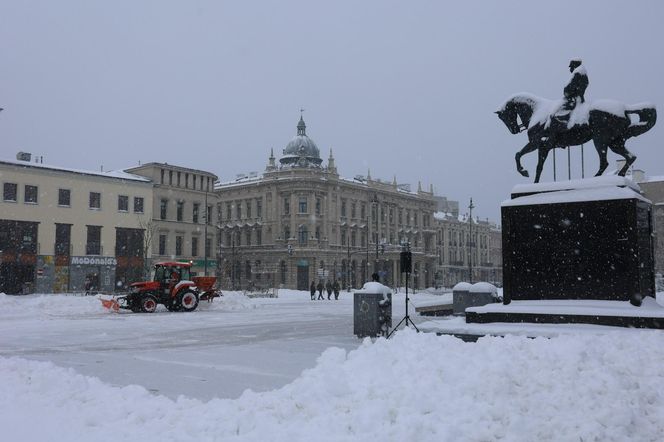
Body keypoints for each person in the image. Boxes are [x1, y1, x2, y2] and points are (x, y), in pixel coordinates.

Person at [553, 59, 589, 125]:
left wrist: (566, 92)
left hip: (574, 99)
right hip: (578, 98)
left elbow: (570, 87)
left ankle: (565, 125)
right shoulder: (583, 73)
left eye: (571, 67)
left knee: (558, 112)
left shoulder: (577, 73)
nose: (570, 69)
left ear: (574, 66)